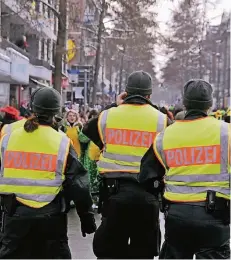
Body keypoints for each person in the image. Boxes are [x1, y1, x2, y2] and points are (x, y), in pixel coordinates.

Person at [83, 71, 171, 259]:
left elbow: (88, 129)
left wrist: (114, 104)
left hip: (114, 194)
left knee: (110, 253)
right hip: (148, 195)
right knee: (143, 253)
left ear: (126, 92)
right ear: (149, 95)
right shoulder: (162, 120)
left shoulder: (108, 116)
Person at [138, 79, 230, 259]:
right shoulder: (226, 132)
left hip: (177, 215)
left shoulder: (165, 136)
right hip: (215, 216)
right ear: (210, 105)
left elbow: (146, 177)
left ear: (185, 103)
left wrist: (163, 194)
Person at [0, 87, 96, 259]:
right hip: (51, 218)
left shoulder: (8, 136)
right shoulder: (61, 141)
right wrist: (86, 218)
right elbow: (79, 184)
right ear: (56, 112)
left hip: (15, 216)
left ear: (31, 108)